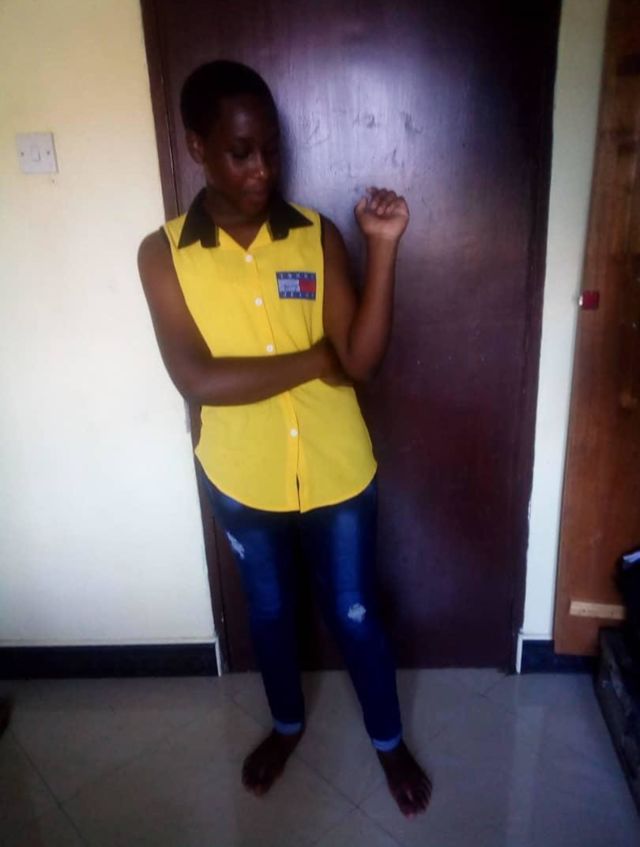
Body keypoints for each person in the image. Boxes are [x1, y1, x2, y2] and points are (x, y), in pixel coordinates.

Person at [138, 60, 431, 817]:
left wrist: (383, 245)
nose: (262, 169)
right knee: (269, 612)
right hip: (242, 474)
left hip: (336, 466)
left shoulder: (314, 234)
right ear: (197, 147)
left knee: (356, 611)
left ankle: (389, 740)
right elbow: (197, 378)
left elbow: (362, 362)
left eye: (271, 148)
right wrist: (315, 359)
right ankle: (288, 725)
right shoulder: (164, 254)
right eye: (241, 152)